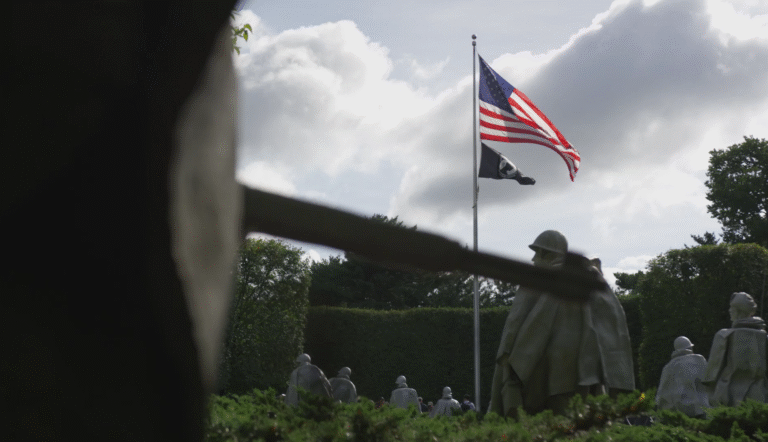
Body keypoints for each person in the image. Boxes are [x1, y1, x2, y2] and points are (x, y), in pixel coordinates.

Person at [489, 230, 635, 417]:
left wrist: (505, 353)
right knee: (585, 418)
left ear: (547, 254)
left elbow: (515, 320)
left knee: (554, 417)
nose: (533, 259)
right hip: (588, 363)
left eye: (537, 252)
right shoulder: (591, 276)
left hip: (550, 361)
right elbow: (614, 319)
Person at [702, 292, 768, 406]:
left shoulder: (724, 335)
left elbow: (712, 372)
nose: (729, 310)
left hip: (730, 392)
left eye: (731, 307)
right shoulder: (765, 337)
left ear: (739, 310)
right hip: (759, 392)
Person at [656, 336, 709, 417]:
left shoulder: (668, 367)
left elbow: (661, 393)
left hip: (679, 413)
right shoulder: (699, 360)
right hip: (702, 409)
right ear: (690, 348)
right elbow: (710, 381)